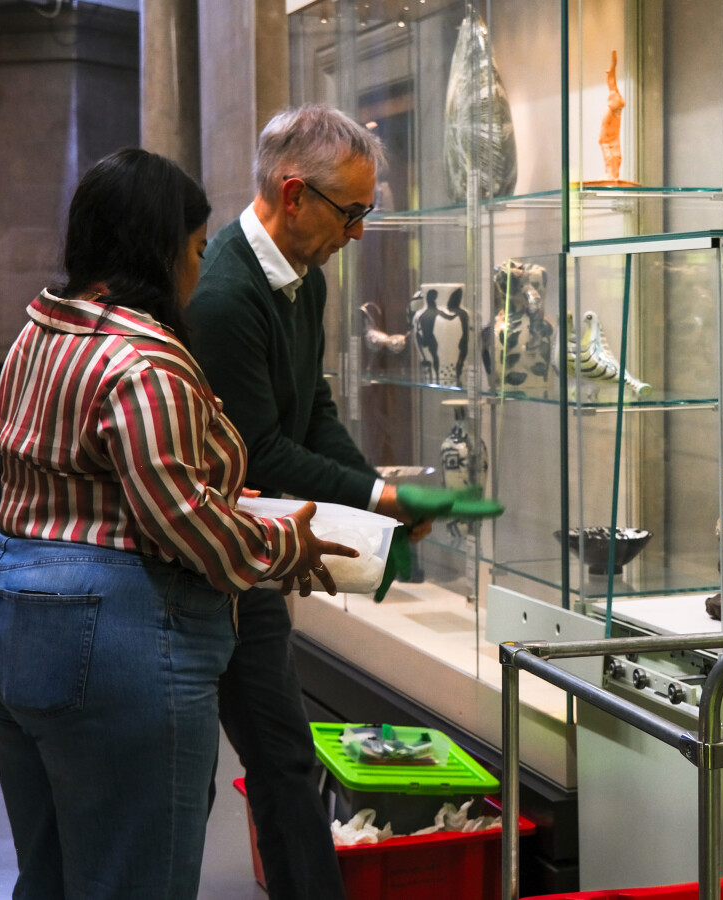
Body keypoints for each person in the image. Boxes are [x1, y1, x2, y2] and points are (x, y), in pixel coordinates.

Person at [0, 147, 355, 900]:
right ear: (159, 248)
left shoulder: (38, 334)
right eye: (198, 249)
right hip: (108, 632)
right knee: (137, 879)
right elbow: (182, 521)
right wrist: (284, 545)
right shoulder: (145, 360)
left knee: (51, 875)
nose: (200, 270)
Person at [187, 104, 499, 900]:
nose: (358, 232)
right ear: (294, 195)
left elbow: (313, 410)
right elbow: (259, 448)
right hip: (212, 567)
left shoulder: (302, 279)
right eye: (352, 212)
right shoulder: (227, 292)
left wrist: (379, 498)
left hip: (250, 557)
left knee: (283, 761)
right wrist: (382, 495)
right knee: (263, 766)